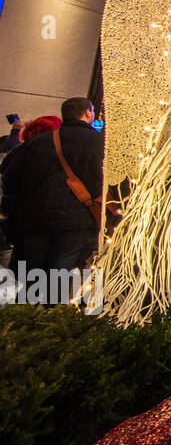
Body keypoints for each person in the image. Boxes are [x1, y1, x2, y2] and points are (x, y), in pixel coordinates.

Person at [0, 98, 104, 301]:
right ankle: (51, 312)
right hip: (76, 218)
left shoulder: (39, 142)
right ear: (88, 113)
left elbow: (11, 175)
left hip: (37, 216)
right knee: (62, 266)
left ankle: (26, 313)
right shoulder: (98, 141)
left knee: (33, 266)